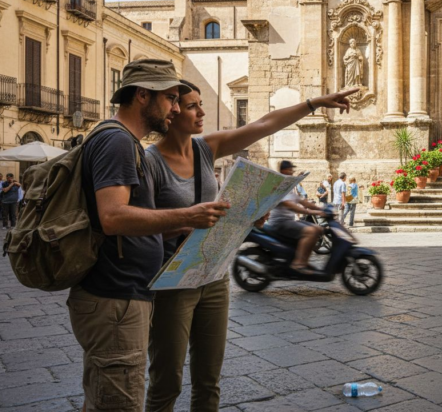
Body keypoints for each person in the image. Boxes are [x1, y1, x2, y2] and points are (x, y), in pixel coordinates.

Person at [144, 80, 355, 412]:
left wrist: (313, 103)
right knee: (166, 382)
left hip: (213, 276)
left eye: (200, 104)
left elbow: (263, 125)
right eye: (191, 106)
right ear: (171, 112)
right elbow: (140, 224)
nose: (201, 112)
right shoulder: (150, 162)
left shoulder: (206, 147)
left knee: (209, 381)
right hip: (173, 281)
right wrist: (189, 221)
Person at [68, 59, 232, 412]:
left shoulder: (121, 140)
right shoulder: (119, 143)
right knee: (119, 402)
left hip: (123, 295)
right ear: (143, 95)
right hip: (116, 297)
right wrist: (188, 213)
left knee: (105, 398)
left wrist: (184, 224)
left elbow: (129, 220)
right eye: (171, 98)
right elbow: (112, 217)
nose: (175, 108)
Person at [271, 161, 330, 275]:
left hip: (289, 221)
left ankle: (304, 260)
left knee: (318, 229)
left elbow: (303, 202)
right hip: (280, 222)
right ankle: (298, 264)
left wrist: (321, 208)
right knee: (311, 231)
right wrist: (314, 212)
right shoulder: (279, 187)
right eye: (290, 170)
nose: (292, 172)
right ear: (284, 171)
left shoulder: (290, 187)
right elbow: (293, 207)